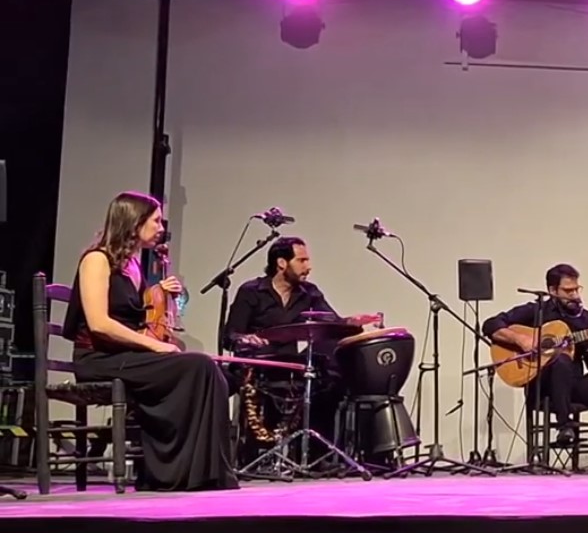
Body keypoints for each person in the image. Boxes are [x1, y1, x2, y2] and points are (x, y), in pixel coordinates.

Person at [61, 191, 238, 492]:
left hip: (125, 357)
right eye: (155, 221)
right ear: (134, 222)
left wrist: (165, 300)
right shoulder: (96, 260)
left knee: (212, 370)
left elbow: (140, 317)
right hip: (98, 359)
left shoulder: (132, 265)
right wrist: (155, 346)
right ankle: (172, 472)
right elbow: (99, 324)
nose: (161, 227)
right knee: (197, 365)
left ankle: (199, 471)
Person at [481, 264, 588, 472]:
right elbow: (490, 325)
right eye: (568, 291)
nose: (575, 295)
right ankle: (564, 425)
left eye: (577, 289)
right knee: (561, 359)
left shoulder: (585, 319)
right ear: (552, 290)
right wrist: (521, 339)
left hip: (574, 384)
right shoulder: (536, 311)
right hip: (542, 387)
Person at [224, 237, 380, 445]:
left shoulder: (309, 293)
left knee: (331, 375)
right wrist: (245, 339)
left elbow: (332, 324)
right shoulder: (251, 291)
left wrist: (352, 322)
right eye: (302, 260)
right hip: (256, 368)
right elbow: (229, 336)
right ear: (281, 263)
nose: (308, 266)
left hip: (291, 366)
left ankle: (319, 450)